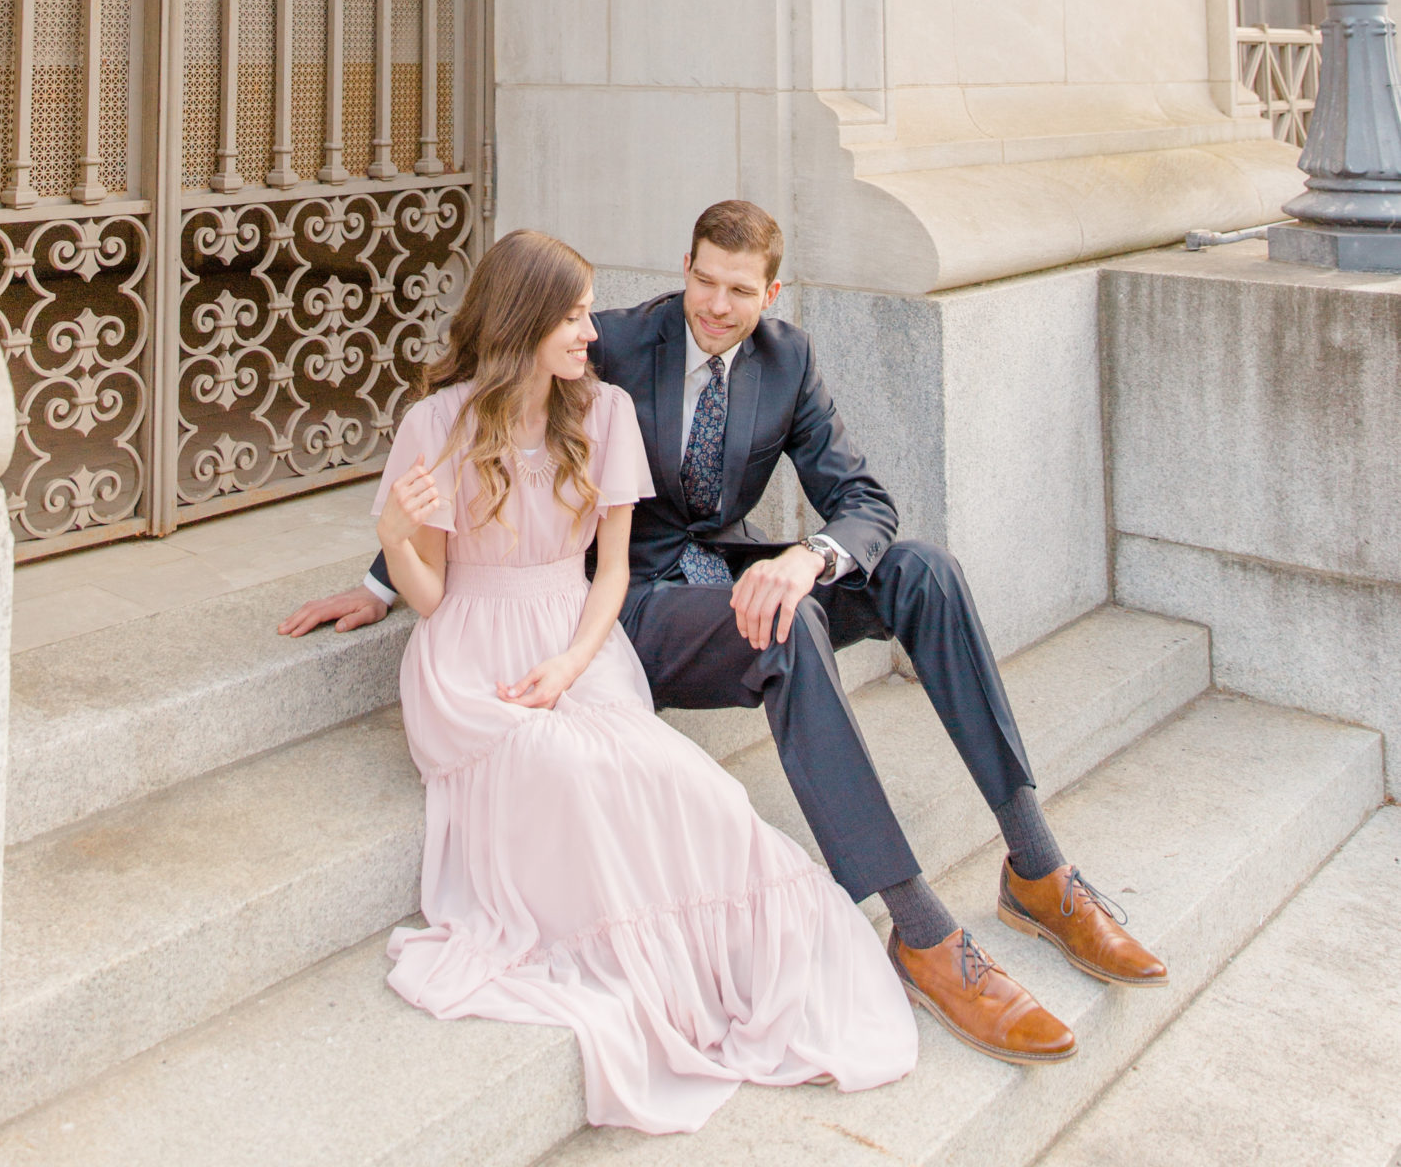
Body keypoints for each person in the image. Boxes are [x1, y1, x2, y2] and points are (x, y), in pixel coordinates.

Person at [283, 198, 1168, 1065]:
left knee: (923, 572)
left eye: (738, 291)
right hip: (630, 608)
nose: (715, 305)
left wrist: (810, 558)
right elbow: (481, 445)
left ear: (771, 294)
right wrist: (381, 577)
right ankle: (921, 930)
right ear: (683, 272)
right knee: (785, 634)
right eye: (703, 282)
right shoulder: (612, 343)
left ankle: (1037, 869)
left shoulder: (788, 363)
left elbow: (864, 501)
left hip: (729, 581)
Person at [356, 224, 916, 1134]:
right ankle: (631, 963)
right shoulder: (437, 423)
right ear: (523, 320)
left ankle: (735, 963)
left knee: (685, 785)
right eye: (572, 317)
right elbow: (432, 597)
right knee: (571, 771)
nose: (591, 333)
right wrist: (392, 541)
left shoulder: (603, 413)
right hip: (467, 660)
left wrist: (572, 664)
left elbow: (610, 572)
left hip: (580, 640)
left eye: (586, 315)